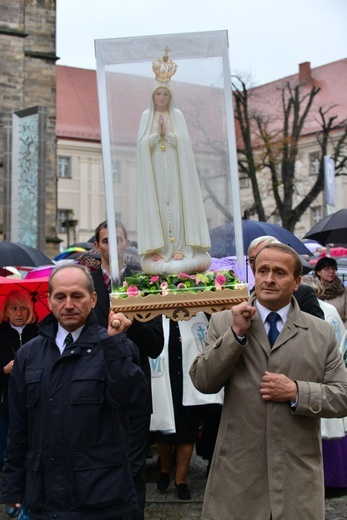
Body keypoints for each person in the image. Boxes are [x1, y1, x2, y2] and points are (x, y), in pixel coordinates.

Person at [190, 243, 347, 520]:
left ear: (297, 282)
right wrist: (235, 335)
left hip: (296, 478)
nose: (269, 278)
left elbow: (342, 396)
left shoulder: (321, 333)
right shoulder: (225, 322)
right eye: (262, 270)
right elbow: (203, 381)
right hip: (239, 478)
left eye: (279, 272)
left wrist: (298, 391)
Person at [1, 264, 148, 519]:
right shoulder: (29, 355)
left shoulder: (114, 345)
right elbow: (19, 428)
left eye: (77, 296)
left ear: (93, 299)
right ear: (49, 300)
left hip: (102, 498)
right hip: (45, 498)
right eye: (60, 296)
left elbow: (131, 402)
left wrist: (115, 346)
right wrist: (13, 486)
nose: (68, 304)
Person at [92, 221, 164, 520]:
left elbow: (156, 345)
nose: (112, 245)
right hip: (94, 387)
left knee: (134, 465)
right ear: (97, 247)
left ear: (127, 243)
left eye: (118, 239)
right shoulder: (86, 283)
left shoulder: (144, 281)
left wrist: (132, 328)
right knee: (98, 462)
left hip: (134, 387)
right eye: (106, 240)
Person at [136, 49, 211, 276]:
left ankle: (179, 246)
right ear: (153, 96)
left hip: (176, 174)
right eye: (158, 95)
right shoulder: (145, 117)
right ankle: (160, 248)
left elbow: (185, 146)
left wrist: (168, 135)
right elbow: (140, 147)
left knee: (177, 206)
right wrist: (154, 136)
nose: (161, 99)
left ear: (170, 97)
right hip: (156, 174)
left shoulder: (177, 117)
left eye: (165, 95)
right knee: (158, 206)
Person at [152, 314, 223, 500]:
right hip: (165, 378)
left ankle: (181, 480)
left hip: (189, 380)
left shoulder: (198, 314)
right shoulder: (155, 316)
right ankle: (165, 470)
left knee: (187, 431)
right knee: (164, 431)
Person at [301, 274, 347, 489]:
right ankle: (336, 476)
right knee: (333, 428)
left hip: (322, 372)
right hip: (333, 369)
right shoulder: (331, 311)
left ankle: (328, 479)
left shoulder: (313, 314)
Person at [248, 236, 324, 319]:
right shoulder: (244, 299)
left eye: (279, 273)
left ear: (296, 282)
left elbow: (315, 328)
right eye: (252, 260)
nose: (269, 280)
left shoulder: (303, 294)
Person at [314, 256, 347, 325]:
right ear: (318, 272)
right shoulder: (312, 290)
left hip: (339, 332)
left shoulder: (343, 291)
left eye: (333, 269)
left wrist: (342, 332)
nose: (331, 271)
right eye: (327, 269)